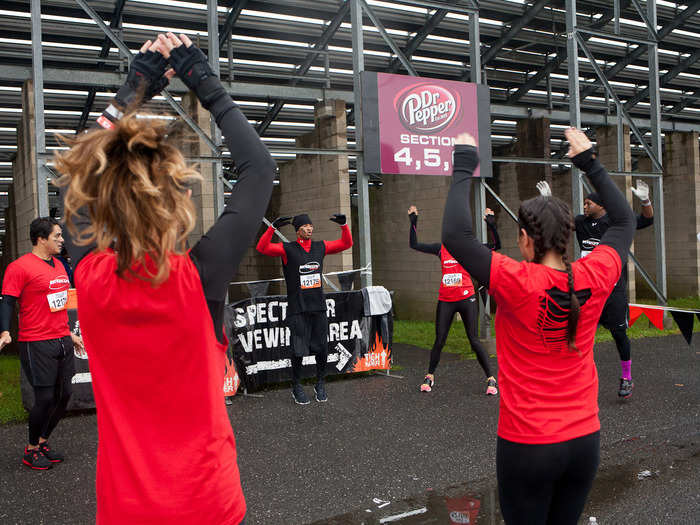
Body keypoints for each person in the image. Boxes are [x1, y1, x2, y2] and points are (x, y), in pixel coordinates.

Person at [55, 34, 275, 524]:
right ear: (175, 202)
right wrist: (203, 82)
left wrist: (137, 86)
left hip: (127, 510)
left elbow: (74, 177)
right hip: (208, 503)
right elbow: (258, 170)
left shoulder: (89, 278)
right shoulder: (197, 278)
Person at [441, 128, 635, 525]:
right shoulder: (595, 273)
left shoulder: (516, 281)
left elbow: (455, 236)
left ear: (526, 240)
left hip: (528, 444)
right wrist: (589, 162)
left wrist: (464, 162)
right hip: (584, 439)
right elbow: (625, 219)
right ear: (568, 236)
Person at [0, 217, 84, 470]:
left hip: (61, 339)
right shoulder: (19, 267)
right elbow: (6, 301)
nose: (61, 240)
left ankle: (42, 440)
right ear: (41, 239)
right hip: (36, 342)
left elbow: (59, 305)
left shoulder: (59, 265)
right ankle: (31, 449)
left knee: (65, 395)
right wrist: (4, 331)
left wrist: (70, 334)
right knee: (45, 398)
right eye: (57, 236)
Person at [256, 213, 353, 404]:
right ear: (298, 230)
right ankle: (296, 386)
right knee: (298, 350)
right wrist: (272, 228)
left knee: (321, 348)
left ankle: (320, 384)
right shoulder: (288, 249)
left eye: (311, 225)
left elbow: (346, 244)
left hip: (318, 307)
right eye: (305, 226)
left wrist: (344, 225)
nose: (310, 228)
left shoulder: (320, 247)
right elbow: (262, 248)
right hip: (298, 308)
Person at [407, 204, 500, 394]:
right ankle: (429, 376)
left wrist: (492, 225)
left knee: (473, 340)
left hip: (467, 299)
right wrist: (413, 222)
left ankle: (491, 379)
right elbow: (414, 244)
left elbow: (496, 246)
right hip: (446, 300)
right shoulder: (441, 248)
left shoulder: (469, 248)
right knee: (440, 340)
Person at [576, 182, 653, 398]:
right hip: (587, 289)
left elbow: (647, 220)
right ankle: (579, 379)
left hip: (614, 289)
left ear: (601, 205)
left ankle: (627, 378)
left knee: (619, 333)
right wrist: (547, 202)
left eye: (588, 202)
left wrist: (645, 201)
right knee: (581, 335)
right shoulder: (580, 222)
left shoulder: (616, 223)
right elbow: (555, 221)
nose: (584, 206)